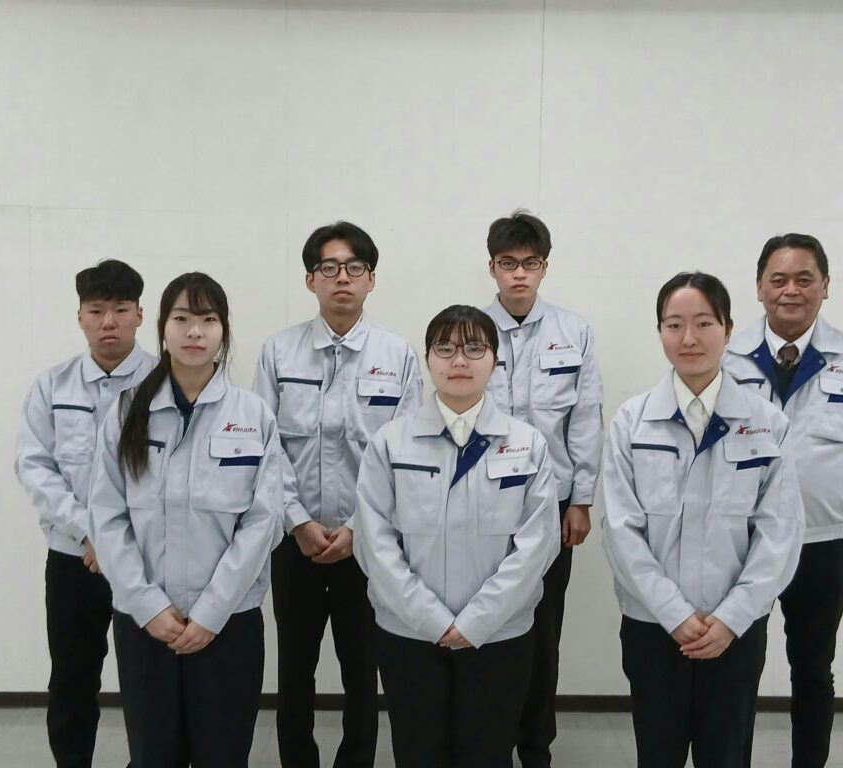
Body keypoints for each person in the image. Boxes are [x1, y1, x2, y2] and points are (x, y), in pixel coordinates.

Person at [602, 271, 804, 768]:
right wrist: (673, 613)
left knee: (727, 754)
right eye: (674, 324)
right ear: (660, 331)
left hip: (733, 631)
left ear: (728, 329)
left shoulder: (766, 423)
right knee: (657, 754)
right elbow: (621, 530)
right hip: (653, 627)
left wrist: (732, 618)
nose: (688, 338)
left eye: (704, 323)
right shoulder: (632, 422)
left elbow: (779, 534)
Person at [88, 272, 284, 768]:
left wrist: (212, 612)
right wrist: (148, 605)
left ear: (224, 330)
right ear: (162, 328)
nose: (194, 331)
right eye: (181, 318)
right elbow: (107, 516)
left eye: (208, 319)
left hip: (228, 623)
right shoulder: (127, 411)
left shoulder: (253, 415)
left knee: (224, 755)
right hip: (145, 624)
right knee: (153, 755)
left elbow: (263, 522)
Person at [353, 304, 560, 768]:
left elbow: (537, 545)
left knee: (487, 753)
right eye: (445, 349)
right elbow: (374, 542)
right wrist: (431, 620)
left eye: (474, 348)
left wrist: (476, 623)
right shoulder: (390, 443)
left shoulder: (527, 443)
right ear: (427, 359)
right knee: (418, 752)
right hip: (409, 634)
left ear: (495, 360)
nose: (459, 360)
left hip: (499, 635)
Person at [253, 221, 423, 768]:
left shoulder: (398, 356)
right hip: (293, 542)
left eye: (354, 268)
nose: (342, 278)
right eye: (329, 268)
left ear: (371, 279)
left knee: (362, 673)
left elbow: (405, 454)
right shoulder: (279, 353)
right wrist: (297, 521)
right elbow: (265, 448)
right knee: (294, 671)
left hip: (367, 545)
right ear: (311, 280)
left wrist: (357, 528)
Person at [722, 234, 843, 768]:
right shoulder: (728, 358)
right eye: (778, 279)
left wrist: (838, 497)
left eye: (804, 279)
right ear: (759, 287)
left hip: (820, 543)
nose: (790, 290)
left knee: (813, 672)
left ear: (825, 285)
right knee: (736, 672)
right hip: (743, 543)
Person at [15, 258, 154, 768]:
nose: (108, 322)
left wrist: (116, 540)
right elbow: (34, 466)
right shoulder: (53, 386)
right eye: (96, 311)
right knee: (72, 679)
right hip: (74, 557)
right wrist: (90, 532)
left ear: (140, 315)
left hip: (146, 558)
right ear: (80, 317)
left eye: (120, 309)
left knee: (148, 680)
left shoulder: (164, 384)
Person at [481, 210, 603, 768]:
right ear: (492, 267)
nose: (519, 275)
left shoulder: (573, 332)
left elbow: (585, 418)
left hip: (552, 508)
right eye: (508, 264)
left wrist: (582, 500)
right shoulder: (471, 332)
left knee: (543, 633)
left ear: (544, 268)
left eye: (530, 264)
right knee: (491, 626)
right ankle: (489, 744)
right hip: (485, 507)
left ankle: (536, 749)